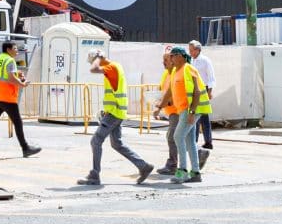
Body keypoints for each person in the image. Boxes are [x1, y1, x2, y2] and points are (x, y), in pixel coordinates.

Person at [78, 54, 153, 187]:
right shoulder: (115, 67)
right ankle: (143, 166)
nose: (95, 64)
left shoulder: (111, 67)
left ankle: (94, 175)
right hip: (116, 112)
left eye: (95, 61)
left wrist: (98, 58)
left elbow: (93, 69)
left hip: (114, 113)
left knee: (95, 141)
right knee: (117, 144)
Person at [0, 40, 39, 159]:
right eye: (15, 48)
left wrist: (17, 74)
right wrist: (22, 84)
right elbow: (10, 78)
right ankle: (25, 148)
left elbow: (1, 73)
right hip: (8, 97)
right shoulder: (10, 60)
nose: (17, 50)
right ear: (8, 50)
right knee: (18, 123)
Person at [156, 49, 196, 182]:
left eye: (169, 58)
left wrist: (192, 112)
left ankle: (179, 169)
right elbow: (168, 92)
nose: (165, 61)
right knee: (188, 141)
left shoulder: (185, 70)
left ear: (178, 58)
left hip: (184, 110)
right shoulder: (172, 73)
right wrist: (159, 106)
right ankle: (195, 171)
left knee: (176, 137)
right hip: (179, 110)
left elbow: (196, 92)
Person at [186, 41, 217, 170]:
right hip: (194, 91)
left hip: (203, 90)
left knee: (204, 118)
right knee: (196, 118)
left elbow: (211, 77)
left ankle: (208, 141)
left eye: (192, 50)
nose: (190, 52)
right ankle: (195, 141)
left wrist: (209, 91)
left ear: (198, 50)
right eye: (189, 50)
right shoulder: (190, 61)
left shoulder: (205, 61)